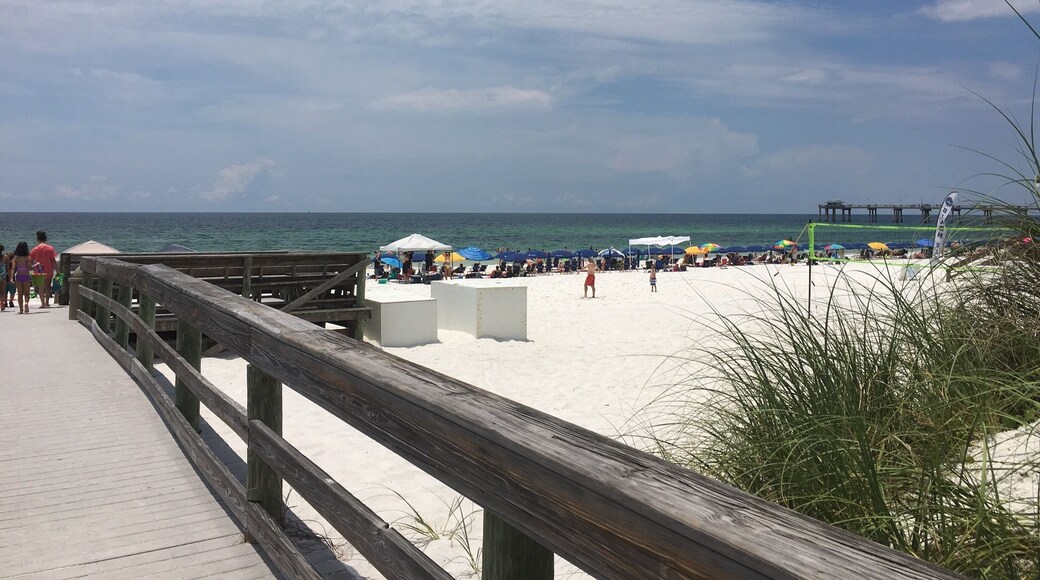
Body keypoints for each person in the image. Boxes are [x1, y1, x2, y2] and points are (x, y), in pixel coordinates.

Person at [29, 231, 57, 308]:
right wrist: (57, 270)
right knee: (48, 286)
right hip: (48, 269)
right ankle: (47, 302)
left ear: (37, 239)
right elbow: (53, 261)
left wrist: (31, 267)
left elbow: (30, 260)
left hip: (39, 269)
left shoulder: (35, 249)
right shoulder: (50, 248)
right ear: (45, 239)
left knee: (40, 287)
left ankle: (42, 303)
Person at [13, 242, 32, 314]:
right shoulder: (27, 257)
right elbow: (29, 267)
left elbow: (13, 268)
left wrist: (11, 278)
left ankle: (21, 309)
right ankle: (26, 303)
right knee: (27, 294)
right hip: (26, 276)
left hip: (18, 277)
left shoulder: (16, 258)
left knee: (20, 294)